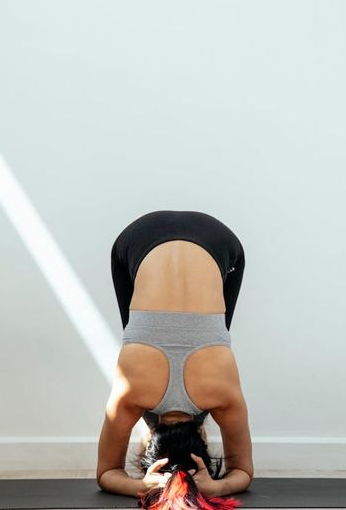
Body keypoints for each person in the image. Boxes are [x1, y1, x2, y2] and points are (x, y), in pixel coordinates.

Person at [96, 210, 253, 509]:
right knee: (133, 331)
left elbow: (244, 474)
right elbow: (105, 474)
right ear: (148, 447)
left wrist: (215, 485)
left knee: (217, 333)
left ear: (203, 441)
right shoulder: (130, 398)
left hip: (220, 239)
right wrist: (140, 484)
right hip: (136, 238)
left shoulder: (222, 399)